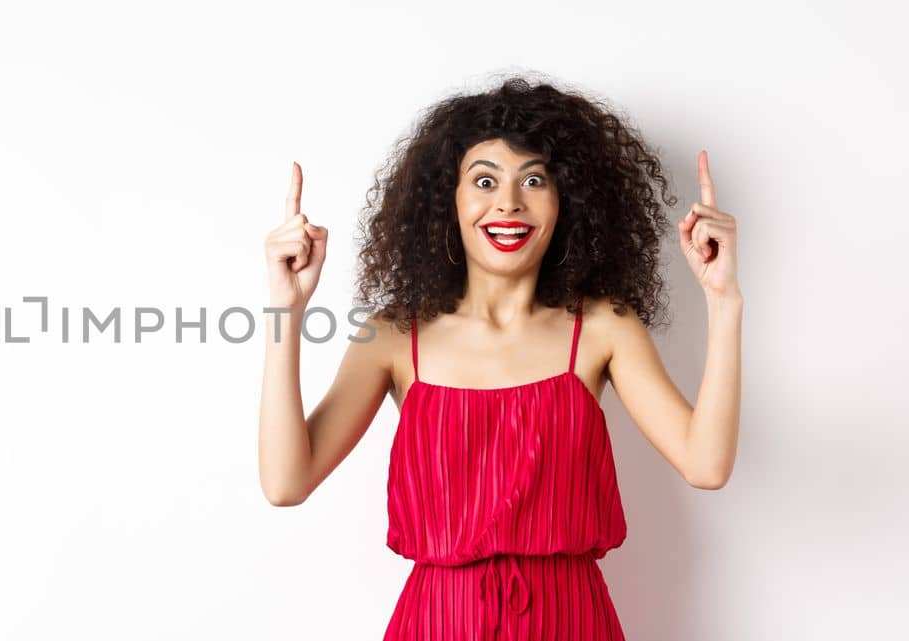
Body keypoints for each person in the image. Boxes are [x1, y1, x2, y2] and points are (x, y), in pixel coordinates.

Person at [256, 76, 743, 640]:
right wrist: (284, 309)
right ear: (450, 201)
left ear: (567, 201)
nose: (508, 202)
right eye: (484, 180)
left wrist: (724, 301)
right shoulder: (394, 336)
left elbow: (706, 466)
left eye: (533, 179)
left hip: (570, 625)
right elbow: (285, 483)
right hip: (437, 624)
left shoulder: (604, 327)